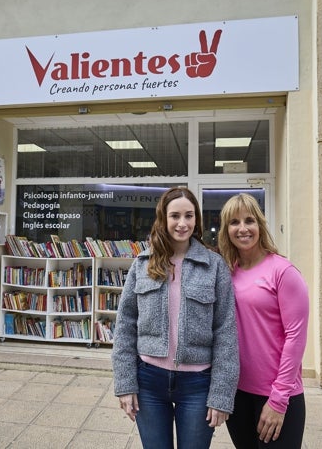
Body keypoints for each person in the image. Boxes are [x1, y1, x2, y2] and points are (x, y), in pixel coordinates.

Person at [112, 187, 239, 449]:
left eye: (189, 216)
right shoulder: (143, 264)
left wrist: (221, 395)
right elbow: (125, 326)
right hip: (149, 381)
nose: (182, 223)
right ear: (163, 219)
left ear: (197, 220)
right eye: (175, 216)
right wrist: (125, 384)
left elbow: (226, 331)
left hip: (198, 383)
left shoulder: (214, 266)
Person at [217, 193, 309, 448]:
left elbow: (296, 338)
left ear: (260, 225)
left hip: (277, 396)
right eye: (234, 222)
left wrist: (279, 400)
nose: (243, 228)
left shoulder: (283, 271)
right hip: (237, 394)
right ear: (226, 230)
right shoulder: (228, 272)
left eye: (250, 220)